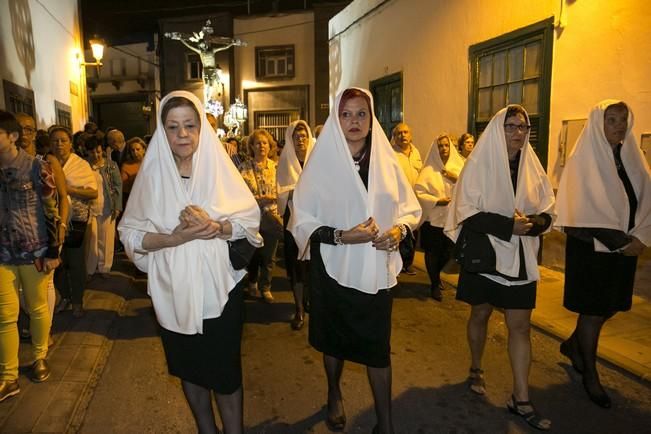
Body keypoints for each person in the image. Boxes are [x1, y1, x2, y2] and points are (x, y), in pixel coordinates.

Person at [118, 91, 261, 434]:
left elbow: (250, 222)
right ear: (162, 131)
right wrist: (174, 238)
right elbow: (131, 234)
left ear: (201, 129)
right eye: (173, 126)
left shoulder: (220, 172)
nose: (182, 134)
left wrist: (217, 227)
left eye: (189, 125)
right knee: (189, 368)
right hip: (173, 290)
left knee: (225, 371)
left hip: (220, 290)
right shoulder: (151, 178)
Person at [289, 88, 421, 434]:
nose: (354, 121)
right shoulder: (322, 162)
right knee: (334, 341)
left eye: (361, 114)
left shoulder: (387, 160)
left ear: (372, 117)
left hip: (376, 268)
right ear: (336, 118)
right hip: (333, 268)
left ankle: (386, 423)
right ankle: (334, 393)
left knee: (378, 348)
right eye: (346, 114)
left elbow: (410, 208)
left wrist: (399, 231)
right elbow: (300, 217)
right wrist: (341, 236)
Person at [444, 105, 555, 431]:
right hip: (487, 257)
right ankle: (476, 367)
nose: (518, 133)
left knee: (520, 327)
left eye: (523, 127)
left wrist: (535, 223)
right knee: (480, 314)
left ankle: (520, 398)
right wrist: (508, 226)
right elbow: (467, 211)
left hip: (520, 259)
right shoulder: (479, 163)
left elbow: (548, 210)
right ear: (498, 128)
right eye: (511, 126)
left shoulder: (532, 167)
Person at [555, 100, 650, 409]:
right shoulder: (584, 158)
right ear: (599, 123)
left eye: (623, 119)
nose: (619, 125)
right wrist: (622, 242)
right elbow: (582, 211)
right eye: (612, 120)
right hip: (592, 251)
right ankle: (590, 374)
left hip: (624, 247)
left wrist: (641, 236)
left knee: (610, 307)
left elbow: (643, 198)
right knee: (594, 312)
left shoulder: (630, 156)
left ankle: (572, 345)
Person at [0, 111, 61, 401]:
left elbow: (52, 209)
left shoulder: (38, 167)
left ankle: (39, 357)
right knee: (5, 315)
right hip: (2, 252)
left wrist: (53, 250)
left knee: (37, 308)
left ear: (12, 137)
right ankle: (8, 376)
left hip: (34, 249)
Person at [15, 113, 68, 337]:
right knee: (19, 288)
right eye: (18, 129)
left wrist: (62, 226)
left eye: (28, 129)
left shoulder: (48, 161)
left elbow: (63, 197)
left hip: (47, 232)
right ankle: (38, 324)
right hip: (16, 235)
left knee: (44, 284)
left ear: (35, 133)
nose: (23, 134)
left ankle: (43, 333)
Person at [51, 125, 98, 317]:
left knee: (76, 262)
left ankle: (77, 300)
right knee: (58, 262)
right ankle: (64, 297)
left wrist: (69, 190)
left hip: (76, 220)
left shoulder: (80, 165)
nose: (59, 144)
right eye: (55, 140)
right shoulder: (45, 162)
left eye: (63, 140)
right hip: (52, 220)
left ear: (70, 143)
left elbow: (93, 192)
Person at [414, 133, 464, 301]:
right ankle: (435, 283)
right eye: (440, 146)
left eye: (446, 145)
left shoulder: (459, 167)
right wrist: (436, 201)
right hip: (432, 220)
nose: (443, 149)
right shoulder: (428, 170)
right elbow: (419, 192)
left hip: (451, 219)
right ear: (435, 149)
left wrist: (455, 178)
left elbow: (469, 188)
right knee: (432, 253)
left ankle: (436, 275)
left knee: (449, 251)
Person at [277, 120, 314, 330]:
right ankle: (299, 308)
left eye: (304, 136)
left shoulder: (317, 159)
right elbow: (281, 193)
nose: (301, 140)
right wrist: (299, 190)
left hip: (315, 219)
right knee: (296, 267)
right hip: (293, 219)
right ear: (291, 140)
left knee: (313, 266)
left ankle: (311, 301)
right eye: (296, 137)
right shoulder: (285, 161)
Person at [239, 129, 282, 303]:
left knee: (269, 255)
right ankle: (252, 282)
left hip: (272, 216)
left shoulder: (276, 166)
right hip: (252, 217)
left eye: (264, 143)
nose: (261, 146)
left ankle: (266, 287)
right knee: (253, 254)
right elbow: (239, 192)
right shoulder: (244, 167)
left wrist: (272, 198)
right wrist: (258, 200)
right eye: (257, 143)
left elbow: (283, 190)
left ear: (269, 145)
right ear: (251, 146)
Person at [85, 136, 122, 275]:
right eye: (92, 152)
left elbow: (118, 186)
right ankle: (89, 269)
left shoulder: (111, 166)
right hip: (90, 208)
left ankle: (105, 268)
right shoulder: (84, 165)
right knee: (92, 240)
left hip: (107, 206)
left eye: (98, 151)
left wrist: (117, 206)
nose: (96, 155)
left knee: (106, 239)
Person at [391, 122, 422, 275]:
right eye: (399, 133)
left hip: (415, 202)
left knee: (413, 234)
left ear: (411, 135)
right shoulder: (390, 154)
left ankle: (408, 263)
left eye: (405, 132)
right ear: (394, 137)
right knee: (401, 234)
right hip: (399, 203)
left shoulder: (416, 153)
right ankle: (398, 264)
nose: (403, 135)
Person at [120, 137, 147, 208]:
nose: (135, 152)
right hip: (135, 201)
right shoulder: (126, 165)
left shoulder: (152, 162)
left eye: (138, 149)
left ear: (144, 150)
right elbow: (124, 188)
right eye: (132, 150)